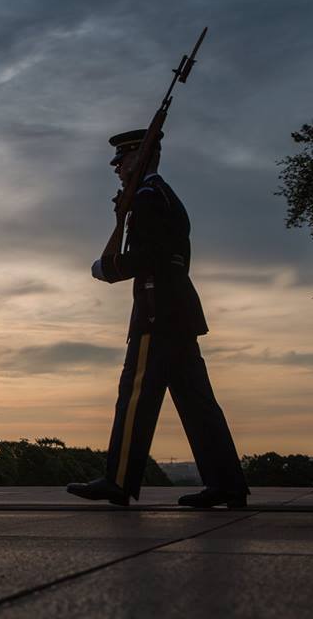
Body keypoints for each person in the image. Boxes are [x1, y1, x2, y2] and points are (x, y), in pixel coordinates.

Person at [66, 129, 249, 508]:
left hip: (157, 312)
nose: (117, 169)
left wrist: (107, 267)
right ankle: (227, 483)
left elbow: (149, 256)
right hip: (178, 313)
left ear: (142, 158)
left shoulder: (149, 198)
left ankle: (118, 481)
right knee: (198, 403)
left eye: (123, 161)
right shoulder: (160, 196)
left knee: (134, 397)